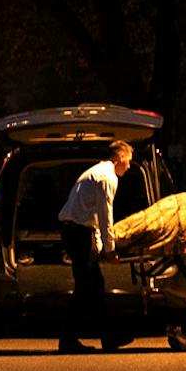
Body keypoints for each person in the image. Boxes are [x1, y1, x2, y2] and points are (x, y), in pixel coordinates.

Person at [55, 139, 134, 353]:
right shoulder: (108, 178)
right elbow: (104, 215)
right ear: (119, 158)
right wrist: (110, 249)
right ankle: (73, 339)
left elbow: (94, 217)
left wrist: (99, 245)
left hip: (75, 231)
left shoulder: (95, 172)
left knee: (92, 286)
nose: (128, 166)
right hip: (81, 234)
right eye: (128, 161)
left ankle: (103, 337)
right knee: (88, 286)